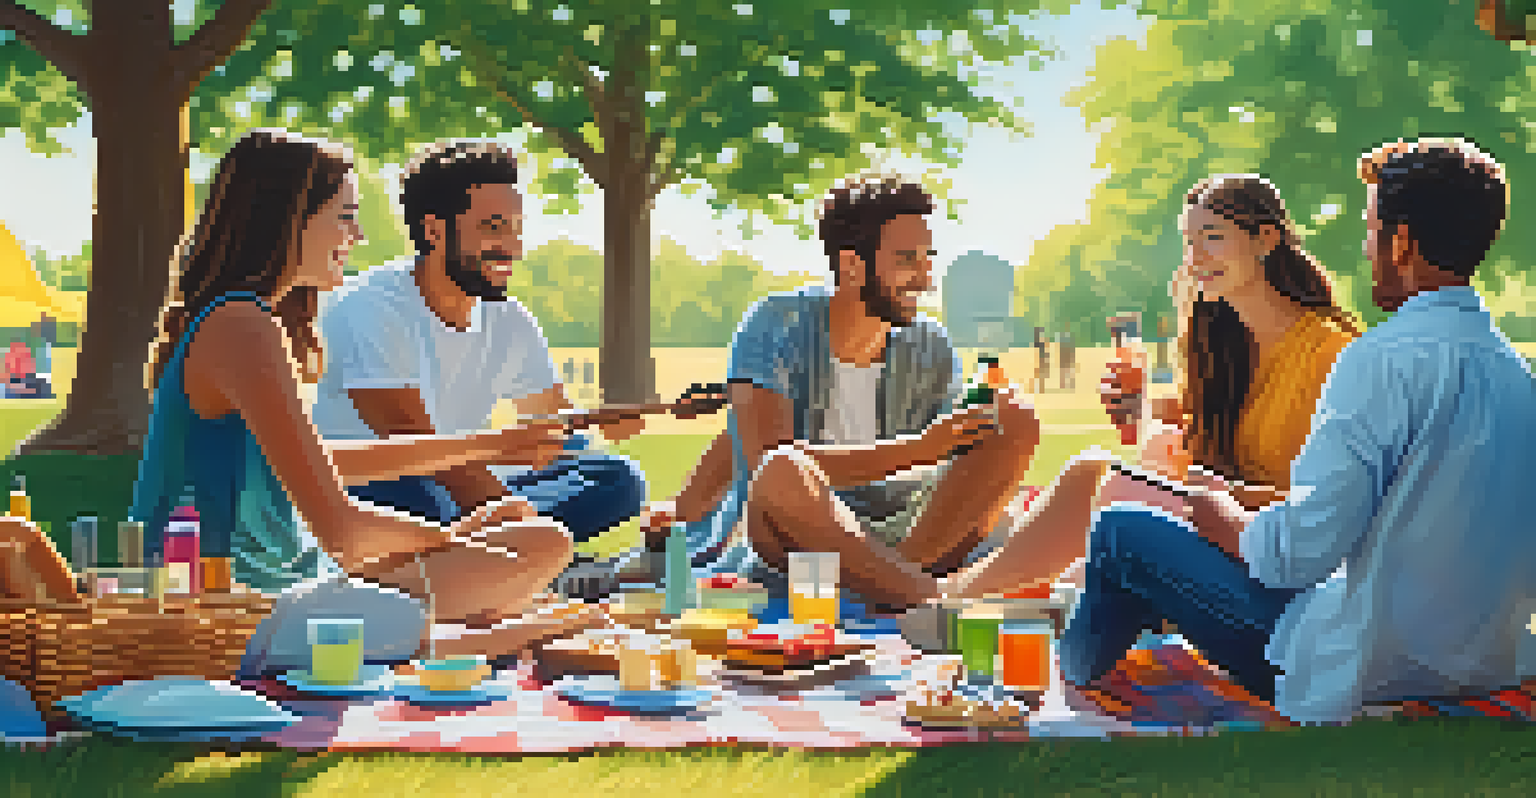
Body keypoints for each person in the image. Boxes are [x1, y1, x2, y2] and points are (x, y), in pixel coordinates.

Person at [1060, 138, 1536, 724]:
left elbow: (1295, 556)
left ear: (1402, 243)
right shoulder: (1515, 373)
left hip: (1363, 666)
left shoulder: (1376, 360)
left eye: (1371, 230)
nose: (1366, 250)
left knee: (1120, 531)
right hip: (1481, 661)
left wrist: (1225, 518)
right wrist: (1255, 505)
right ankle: (1114, 681)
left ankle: (1066, 708)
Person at [126, 129, 593, 676]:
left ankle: (485, 627)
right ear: (290, 220)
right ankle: (518, 630)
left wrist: (489, 450)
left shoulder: (248, 321)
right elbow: (343, 532)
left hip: (290, 581)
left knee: (540, 540)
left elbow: (324, 460)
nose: (358, 233)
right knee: (509, 570)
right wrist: (454, 536)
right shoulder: (241, 326)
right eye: (344, 216)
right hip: (230, 606)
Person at [942, 174, 1362, 602]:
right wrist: (1139, 408)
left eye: (1212, 238)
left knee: (1099, 479)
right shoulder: (1226, 345)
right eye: (1189, 242)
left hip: (1279, 544)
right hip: (1225, 521)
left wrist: (1230, 497)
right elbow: (1190, 429)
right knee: (1099, 495)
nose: (1195, 258)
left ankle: (959, 595)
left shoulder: (1328, 350)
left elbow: (1342, 500)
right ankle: (975, 594)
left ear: (1265, 239)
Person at [636, 176, 1044, 611]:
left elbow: (950, 463)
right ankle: (925, 596)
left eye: (928, 259)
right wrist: (919, 449)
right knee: (782, 470)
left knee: (1014, 416)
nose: (925, 278)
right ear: (851, 266)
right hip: (804, 532)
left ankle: (892, 584)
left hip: (908, 536)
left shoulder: (931, 344)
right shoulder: (778, 325)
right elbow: (764, 469)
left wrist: (980, 431)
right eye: (907, 260)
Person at [311, 141, 646, 554]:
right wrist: (523, 521)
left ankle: (479, 550)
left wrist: (611, 421)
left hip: (464, 484)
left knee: (614, 478)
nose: (513, 248)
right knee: (417, 493)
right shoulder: (371, 306)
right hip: (384, 487)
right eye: (493, 227)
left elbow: (553, 422)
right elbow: (410, 442)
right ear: (434, 231)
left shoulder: (508, 317)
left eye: (516, 228)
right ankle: (500, 551)